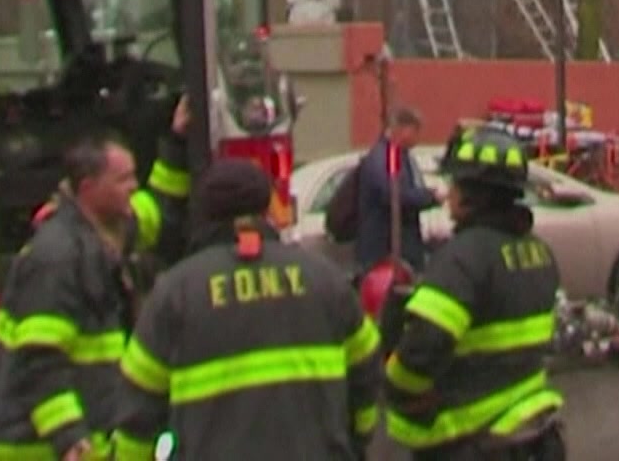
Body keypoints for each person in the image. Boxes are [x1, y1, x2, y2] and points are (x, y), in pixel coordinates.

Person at [111, 160, 382, 461]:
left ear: (204, 214)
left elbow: (139, 408)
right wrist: (356, 438)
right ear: (267, 208)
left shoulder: (175, 294)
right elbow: (366, 367)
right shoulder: (326, 280)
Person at [0, 99, 193, 461]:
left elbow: (160, 214)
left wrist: (177, 141)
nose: (133, 187)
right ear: (90, 188)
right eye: (123, 179)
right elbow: (38, 360)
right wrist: (69, 438)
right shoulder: (57, 258)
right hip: (31, 450)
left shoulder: (108, 229)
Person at [385, 124, 566, 460]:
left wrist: (397, 387)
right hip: (531, 432)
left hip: (472, 440)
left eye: (455, 183)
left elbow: (423, 347)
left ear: (473, 194)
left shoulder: (463, 258)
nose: (448, 192)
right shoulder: (539, 251)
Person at [355, 105, 441, 275]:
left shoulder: (400, 155)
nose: (418, 138)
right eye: (417, 131)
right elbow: (392, 194)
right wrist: (430, 196)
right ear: (405, 130)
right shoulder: (385, 157)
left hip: (399, 245)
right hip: (385, 247)